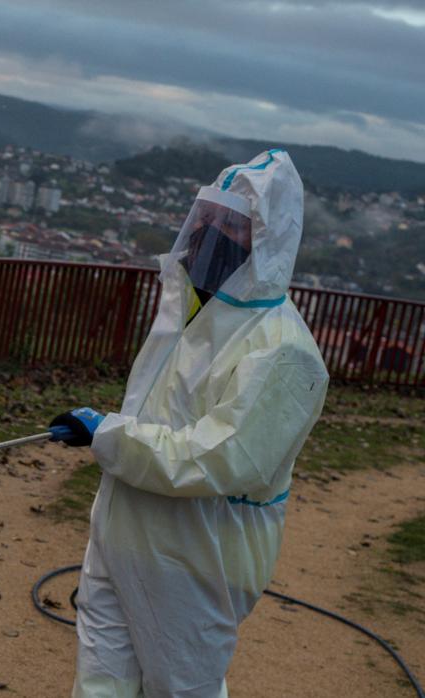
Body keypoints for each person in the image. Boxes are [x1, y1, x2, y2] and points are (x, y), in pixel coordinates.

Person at [50, 149, 330, 697]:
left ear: (268, 240)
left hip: (198, 562)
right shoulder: (190, 314)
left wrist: (109, 436)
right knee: (100, 682)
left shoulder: (283, 353)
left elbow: (220, 459)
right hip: (122, 531)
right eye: (207, 215)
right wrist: (113, 435)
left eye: (231, 223)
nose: (208, 232)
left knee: (181, 689)